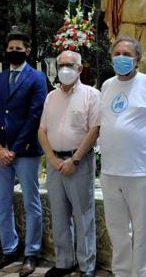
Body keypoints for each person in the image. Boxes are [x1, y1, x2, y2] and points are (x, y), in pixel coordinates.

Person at [97, 36, 146, 277]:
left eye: (126, 54)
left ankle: (143, 274)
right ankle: (121, 272)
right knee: (117, 229)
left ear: (138, 60)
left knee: (142, 229)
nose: (121, 58)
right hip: (110, 170)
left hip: (139, 170)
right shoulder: (107, 85)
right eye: (117, 53)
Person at [0, 30, 48, 277]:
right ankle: (9, 249)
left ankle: (31, 252)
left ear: (28, 51)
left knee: (32, 203)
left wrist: (14, 149)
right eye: (10, 48)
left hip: (26, 151)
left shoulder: (36, 78)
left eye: (18, 48)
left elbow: (35, 115)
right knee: (2, 204)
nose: (13, 52)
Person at [38, 51, 100, 277]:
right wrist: (52, 159)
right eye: (61, 64)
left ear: (80, 69)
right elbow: (42, 130)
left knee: (83, 215)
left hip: (79, 162)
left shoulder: (92, 95)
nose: (64, 68)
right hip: (55, 163)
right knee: (59, 214)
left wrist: (74, 159)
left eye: (69, 65)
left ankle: (87, 266)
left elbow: (95, 130)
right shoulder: (51, 97)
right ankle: (64, 262)